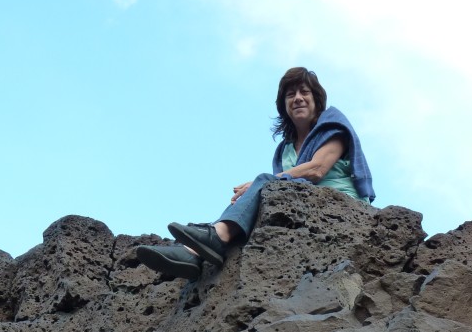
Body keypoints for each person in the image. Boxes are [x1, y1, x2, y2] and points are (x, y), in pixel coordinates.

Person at [136, 67, 375, 280]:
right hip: (304, 207)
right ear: (284, 106)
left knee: (264, 183)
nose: (298, 98)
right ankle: (193, 255)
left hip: (340, 206)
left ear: (316, 100)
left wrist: (261, 184)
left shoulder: (333, 126)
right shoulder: (285, 150)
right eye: (291, 95)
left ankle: (213, 237)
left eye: (305, 92)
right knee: (258, 204)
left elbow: (317, 169)